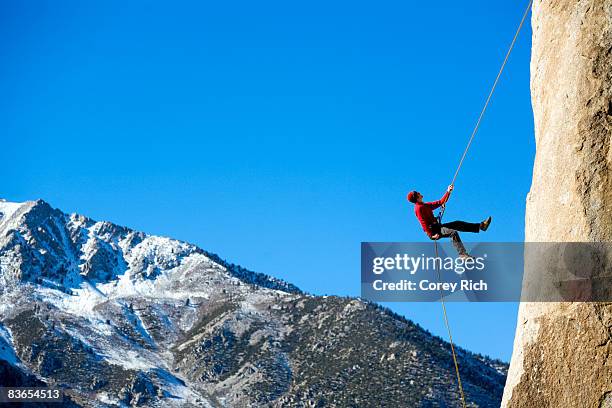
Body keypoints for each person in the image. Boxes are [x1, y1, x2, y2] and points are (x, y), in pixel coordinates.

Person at [407, 185, 491, 257]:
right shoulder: (418, 208)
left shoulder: (424, 205)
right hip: (434, 231)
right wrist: (431, 235)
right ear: (417, 197)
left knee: (458, 223)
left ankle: (481, 226)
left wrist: (448, 191)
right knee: (453, 233)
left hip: (437, 227)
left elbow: (440, 202)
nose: (419, 193)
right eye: (417, 193)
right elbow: (423, 223)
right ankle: (463, 255)